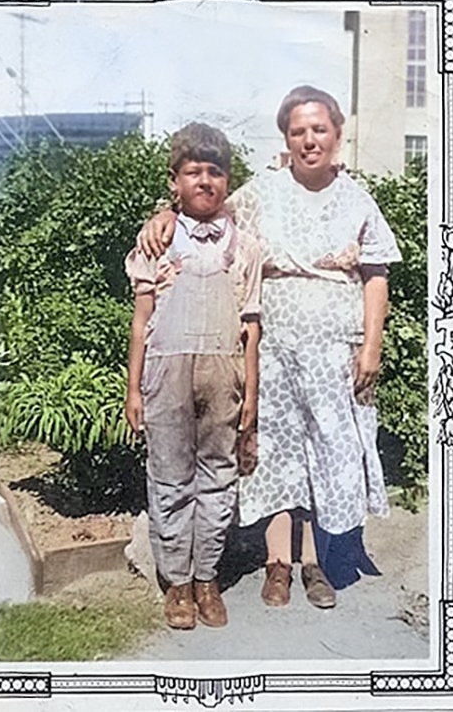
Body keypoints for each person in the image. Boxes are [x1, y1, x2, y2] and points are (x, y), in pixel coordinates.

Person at [138, 86, 402, 610]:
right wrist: (159, 214)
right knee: (276, 452)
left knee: (324, 450)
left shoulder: (358, 199)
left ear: (337, 133)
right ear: (286, 137)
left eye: (319, 129)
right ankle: (276, 564)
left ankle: (314, 563)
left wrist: (371, 347)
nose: (309, 140)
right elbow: (203, 208)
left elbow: (377, 276)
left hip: (334, 351)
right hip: (274, 345)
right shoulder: (260, 192)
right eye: (298, 131)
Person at [125, 122, 261, 630]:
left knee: (218, 477)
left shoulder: (244, 246)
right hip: (165, 370)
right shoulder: (157, 240)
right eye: (193, 172)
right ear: (174, 182)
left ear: (227, 180)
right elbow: (141, 321)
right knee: (169, 478)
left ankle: (208, 578)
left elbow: (251, 327)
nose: (205, 181)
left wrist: (251, 396)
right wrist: (133, 388)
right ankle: (177, 582)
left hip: (223, 371)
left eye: (215, 172)